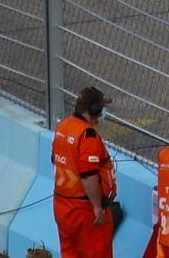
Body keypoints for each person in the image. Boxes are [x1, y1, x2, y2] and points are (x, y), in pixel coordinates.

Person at [51, 85, 118, 258]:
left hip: (62, 206)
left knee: (70, 253)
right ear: (94, 109)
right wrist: (97, 207)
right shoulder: (87, 135)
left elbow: (55, 160)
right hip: (84, 209)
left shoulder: (63, 128)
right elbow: (88, 174)